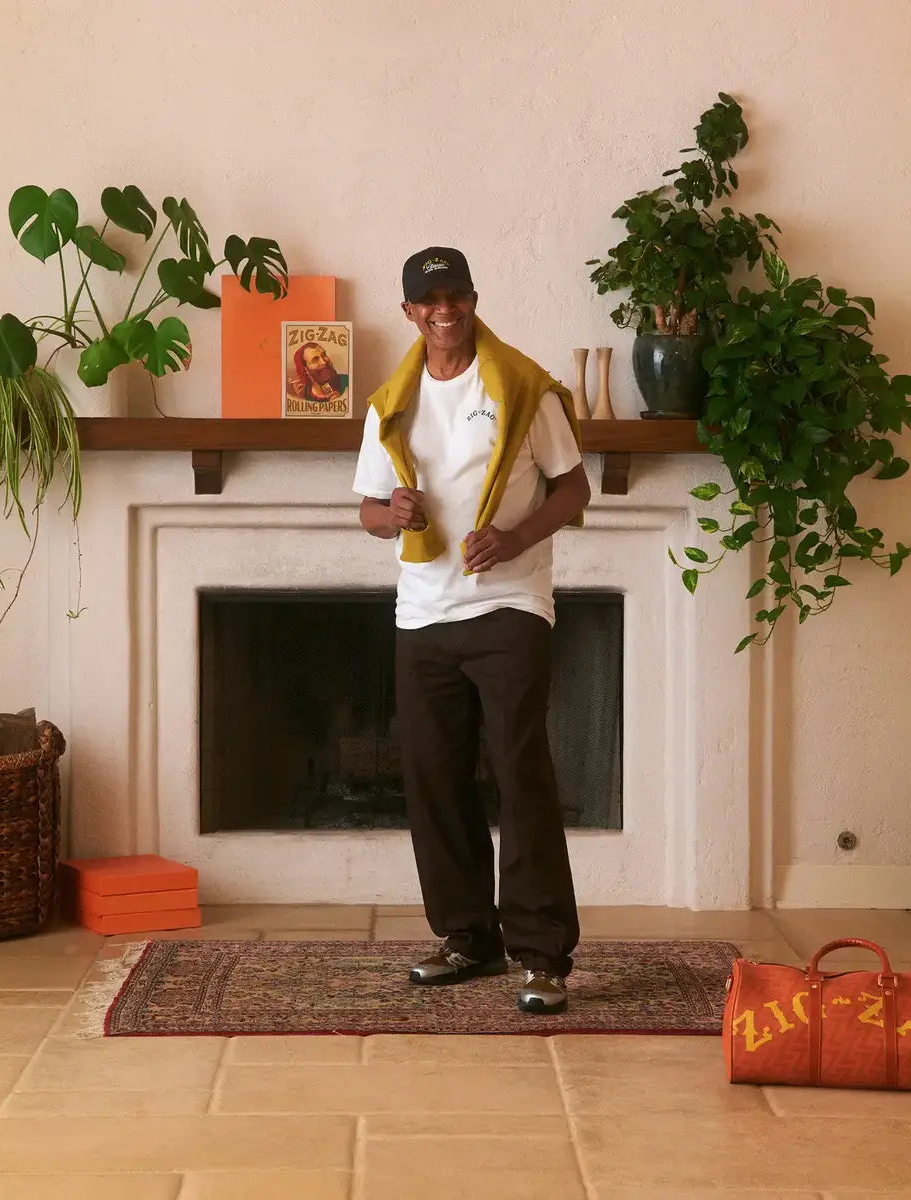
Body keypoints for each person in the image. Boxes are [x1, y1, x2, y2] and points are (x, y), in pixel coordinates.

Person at [352, 246, 590, 1015]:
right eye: (430, 299)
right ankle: (468, 938)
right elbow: (366, 507)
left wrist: (516, 540)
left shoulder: (523, 386)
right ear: (410, 313)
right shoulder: (392, 400)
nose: (444, 310)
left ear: (473, 300)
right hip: (421, 612)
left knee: (520, 774)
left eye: (456, 295)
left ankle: (543, 953)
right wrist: (389, 514)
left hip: (510, 607)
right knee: (432, 777)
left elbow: (573, 487)